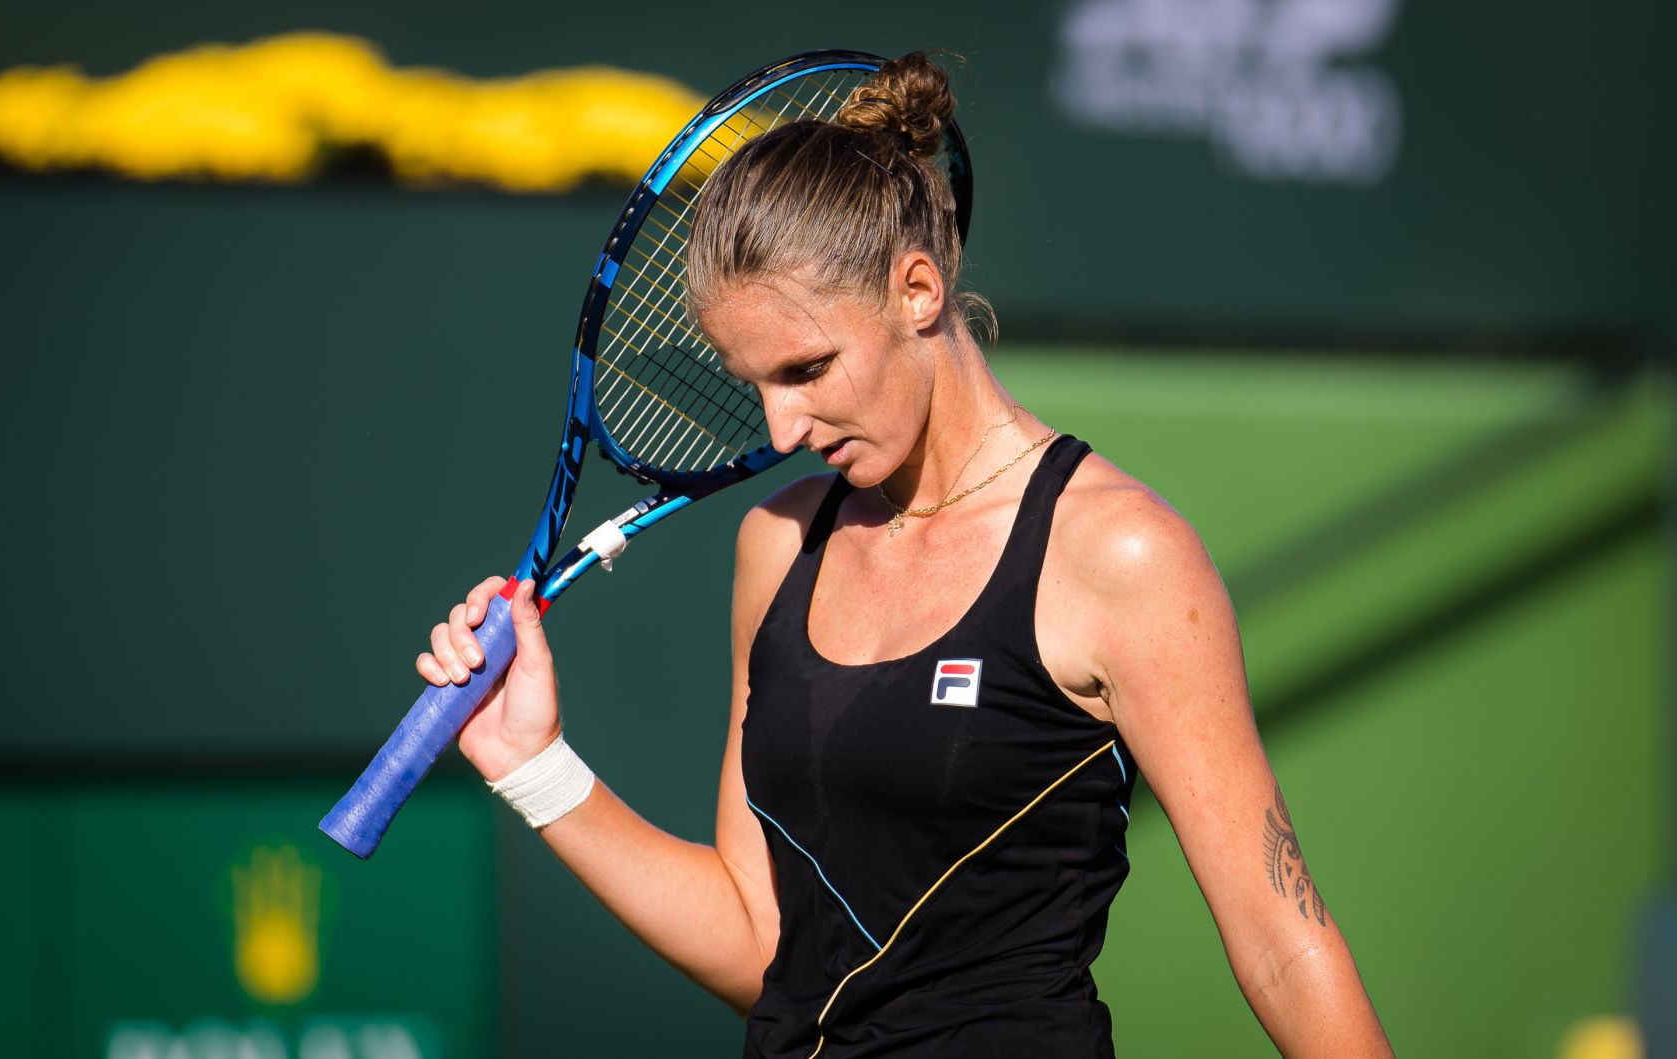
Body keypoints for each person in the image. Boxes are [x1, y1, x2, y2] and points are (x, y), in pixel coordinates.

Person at [418, 52, 1394, 1058]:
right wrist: (532, 765)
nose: (782, 426)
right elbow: (767, 955)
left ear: (917, 289)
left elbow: (1281, 942)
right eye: (755, 385)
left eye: (806, 369)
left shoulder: (1121, 554)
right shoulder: (776, 546)